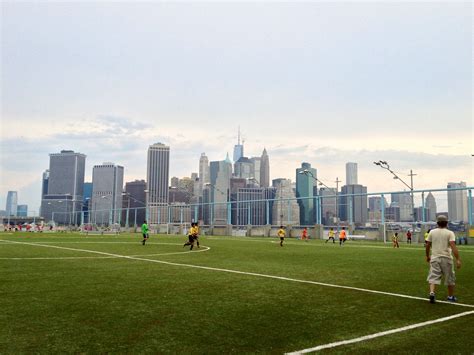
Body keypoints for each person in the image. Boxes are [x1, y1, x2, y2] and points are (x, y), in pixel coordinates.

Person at [425, 215, 461, 303]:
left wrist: (427, 256)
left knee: (433, 276)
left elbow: (428, 245)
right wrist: (458, 259)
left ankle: (432, 292)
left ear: (437, 223)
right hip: (446, 258)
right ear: (446, 223)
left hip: (435, 257)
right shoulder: (450, 233)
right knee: (450, 278)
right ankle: (450, 296)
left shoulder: (432, 232)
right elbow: (453, 246)